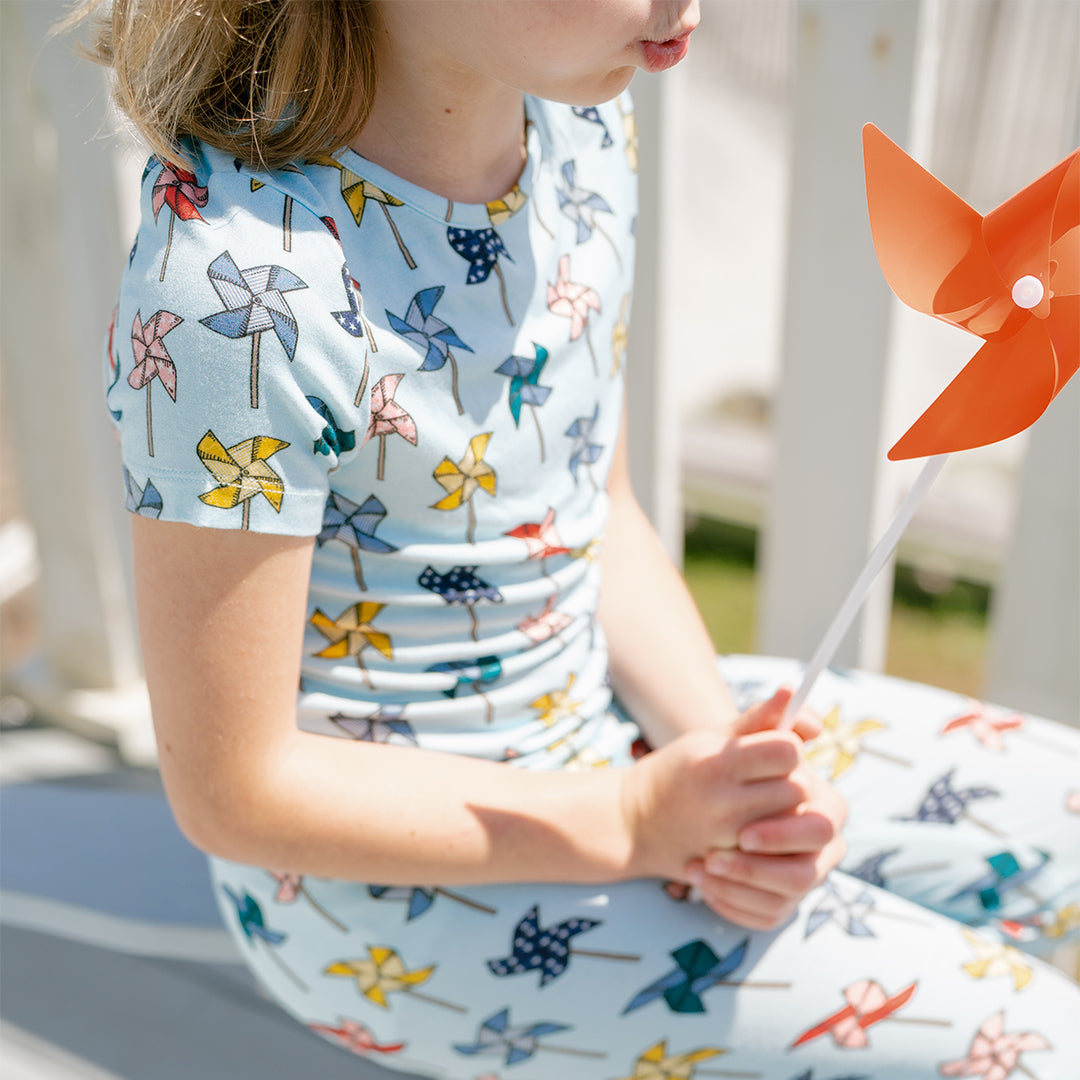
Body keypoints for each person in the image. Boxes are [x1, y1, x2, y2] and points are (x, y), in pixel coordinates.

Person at [78, 1, 1079, 1076]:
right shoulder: (233, 296)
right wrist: (636, 820)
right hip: (384, 899)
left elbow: (601, 513)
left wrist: (742, 778)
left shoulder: (580, 128)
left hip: (611, 740)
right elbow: (237, 790)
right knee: (1032, 1045)